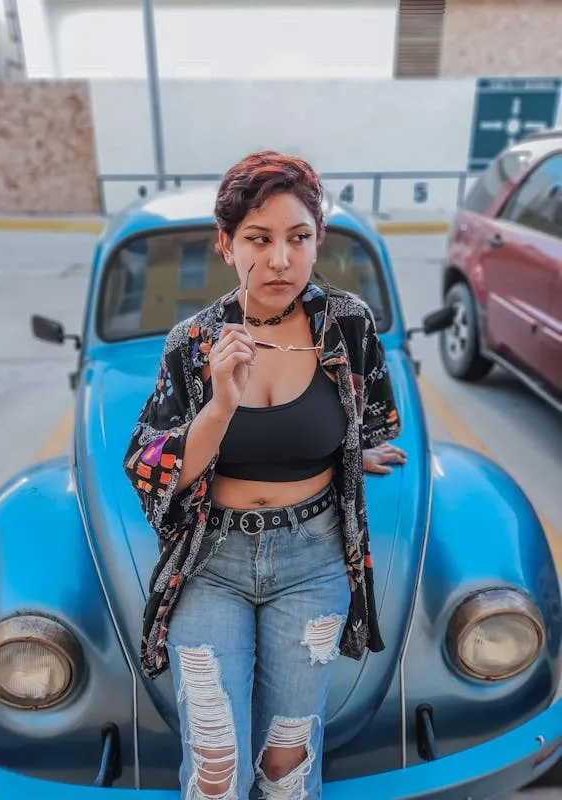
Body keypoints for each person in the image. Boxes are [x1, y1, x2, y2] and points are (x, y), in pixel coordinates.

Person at [123, 151, 405, 799]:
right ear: (226, 246)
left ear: (317, 242)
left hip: (313, 562)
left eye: (298, 238)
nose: (280, 259)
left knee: (286, 759)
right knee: (217, 767)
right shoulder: (193, 344)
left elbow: (368, 412)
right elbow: (154, 472)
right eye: (259, 239)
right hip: (211, 561)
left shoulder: (350, 326)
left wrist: (346, 451)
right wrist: (221, 403)